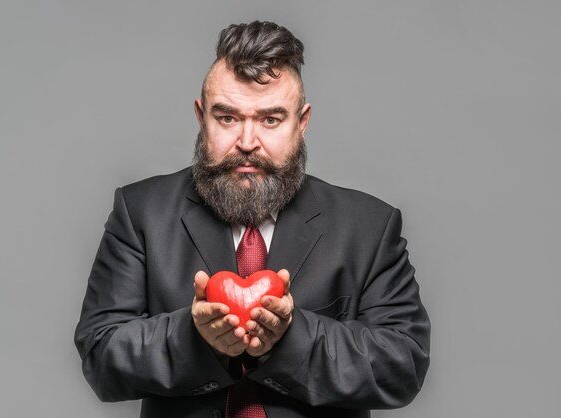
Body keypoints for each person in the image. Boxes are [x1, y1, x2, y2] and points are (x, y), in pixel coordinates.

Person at [74, 21, 430, 418]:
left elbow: (403, 366)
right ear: (201, 116)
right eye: (227, 118)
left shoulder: (368, 226)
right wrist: (196, 338)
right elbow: (99, 353)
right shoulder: (140, 211)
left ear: (302, 122)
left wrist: (291, 337)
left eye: (270, 120)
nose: (246, 141)